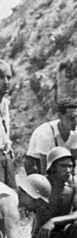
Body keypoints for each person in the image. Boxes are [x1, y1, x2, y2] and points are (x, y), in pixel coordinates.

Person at [25, 148, 77, 238]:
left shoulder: (73, 184)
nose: (68, 170)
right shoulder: (41, 183)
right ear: (52, 167)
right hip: (42, 235)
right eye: (63, 166)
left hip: (62, 233)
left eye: (70, 166)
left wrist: (53, 221)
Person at [24, 99, 77, 176]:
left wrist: (76, 178)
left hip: (57, 159)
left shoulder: (76, 131)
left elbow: (74, 160)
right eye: (71, 118)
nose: (75, 121)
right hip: (36, 162)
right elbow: (44, 170)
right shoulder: (45, 134)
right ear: (60, 116)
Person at [0, 60, 15, 189]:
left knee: (12, 195)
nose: (6, 82)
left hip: (6, 157)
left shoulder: (4, 103)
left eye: (8, 77)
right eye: (0, 77)